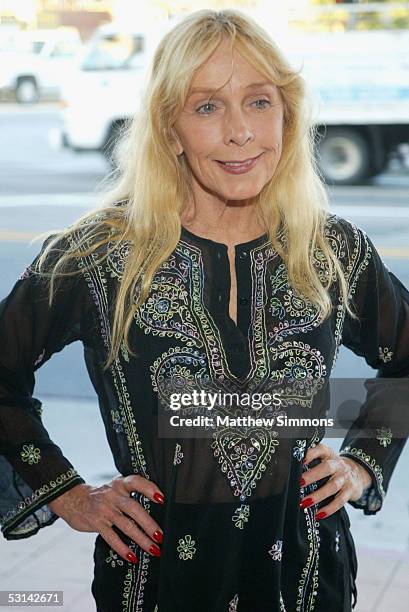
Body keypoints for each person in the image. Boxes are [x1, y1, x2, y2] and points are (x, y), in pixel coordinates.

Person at [0, 9, 408, 612]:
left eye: (261, 102)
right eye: (208, 106)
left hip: (304, 576)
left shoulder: (333, 249)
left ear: (288, 116)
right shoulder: (98, 256)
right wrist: (68, 493)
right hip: (158, 581)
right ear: (170, 128)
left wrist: (362, 460)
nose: (240, 131)